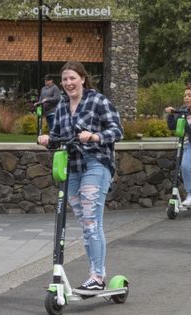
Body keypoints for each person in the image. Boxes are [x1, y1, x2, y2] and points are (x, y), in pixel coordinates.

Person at [38, 61, 123, 294]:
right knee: (86, 223)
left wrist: (95, 136)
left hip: (96, 164)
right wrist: (46, 139)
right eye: (65, 79)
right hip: (73, 169)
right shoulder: (62, 106)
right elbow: (57, 137)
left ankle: (97, 276)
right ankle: (95, 274)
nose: (68, 83)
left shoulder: (98, 100)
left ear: (83, 79)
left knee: (92, 220)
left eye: (72, 78)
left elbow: (117, 130)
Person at [165, 87, 191, 207]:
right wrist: (171, 114)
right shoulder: (183, 111)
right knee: (185, 166)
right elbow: (172, 126)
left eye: (189, 95)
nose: (186, 98)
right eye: (184, 96)